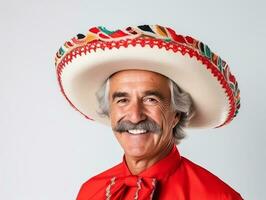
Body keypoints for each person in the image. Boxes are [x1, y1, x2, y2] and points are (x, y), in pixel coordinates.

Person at [55, 25, 243, 199]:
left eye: (150, 100)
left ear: (176, 113)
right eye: (122, 100)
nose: (135, 116)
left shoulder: (217, 196)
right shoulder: (90, 191)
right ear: (110, 112)